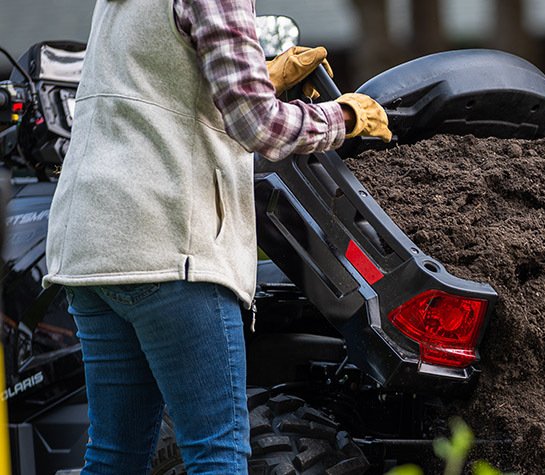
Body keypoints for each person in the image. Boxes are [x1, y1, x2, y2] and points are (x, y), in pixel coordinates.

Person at [42, 0, 391, 473]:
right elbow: (260, 127)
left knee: (114, 456)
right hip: (169, 246)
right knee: (217, 451)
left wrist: (263, 75)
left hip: (93, 244)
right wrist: (344, 119)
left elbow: (161, 79)